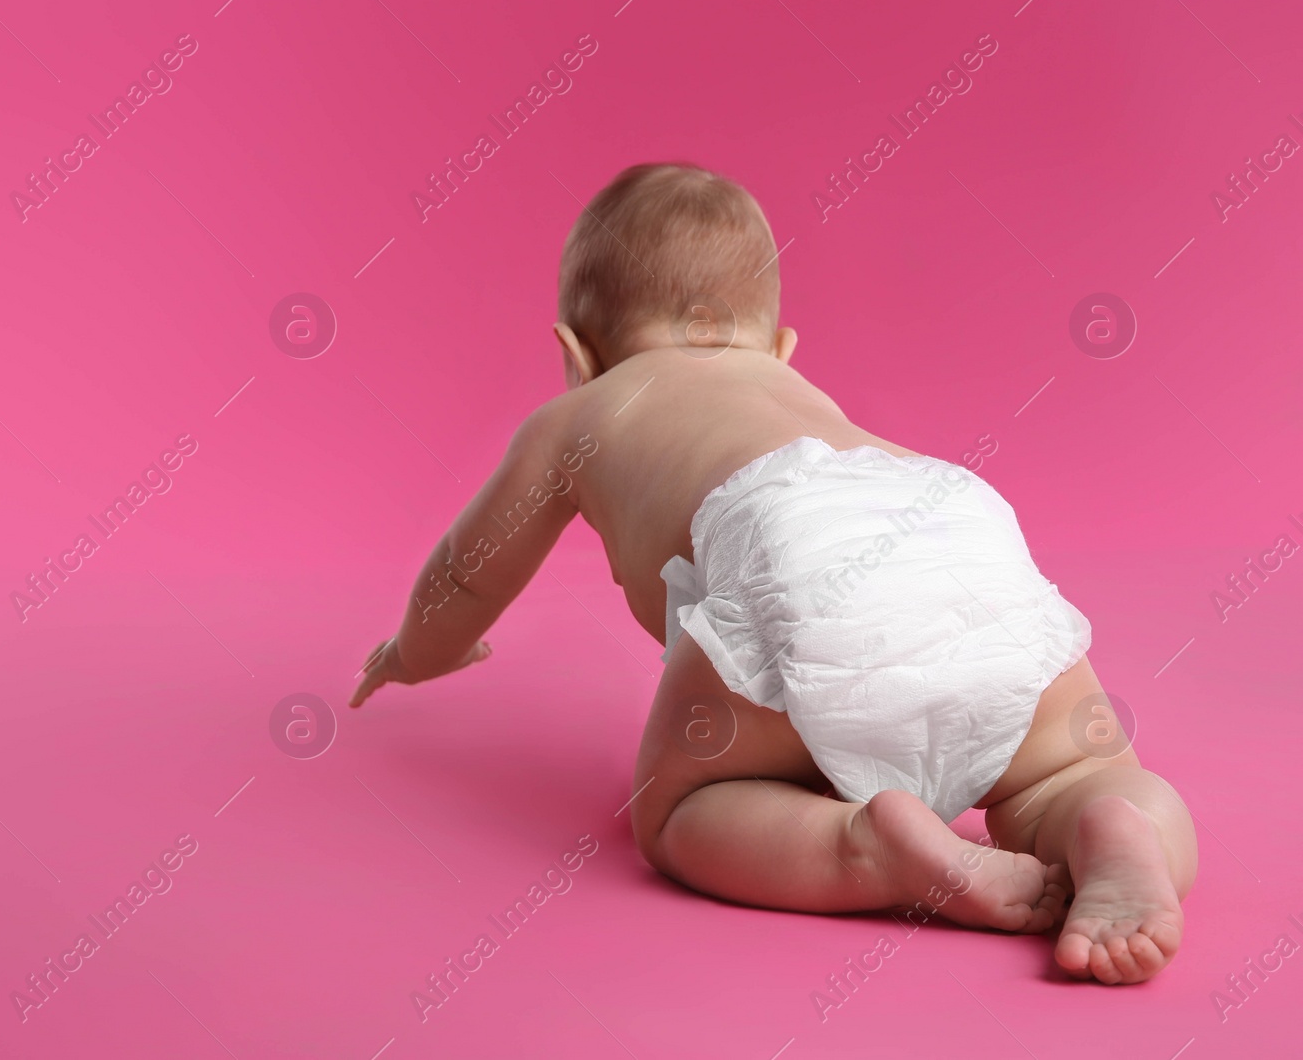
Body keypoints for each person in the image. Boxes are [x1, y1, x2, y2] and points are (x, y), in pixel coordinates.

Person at [350, 163, 1194, 984]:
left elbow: (468, 574)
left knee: (678, 814)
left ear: (577, 355)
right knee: (1077, 769)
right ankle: (1112, 825)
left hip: (791, 542)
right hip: (957, 526)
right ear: (781, 348)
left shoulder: (581, 411)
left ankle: (868, 849)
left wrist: (415, 652)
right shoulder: (797, 392)